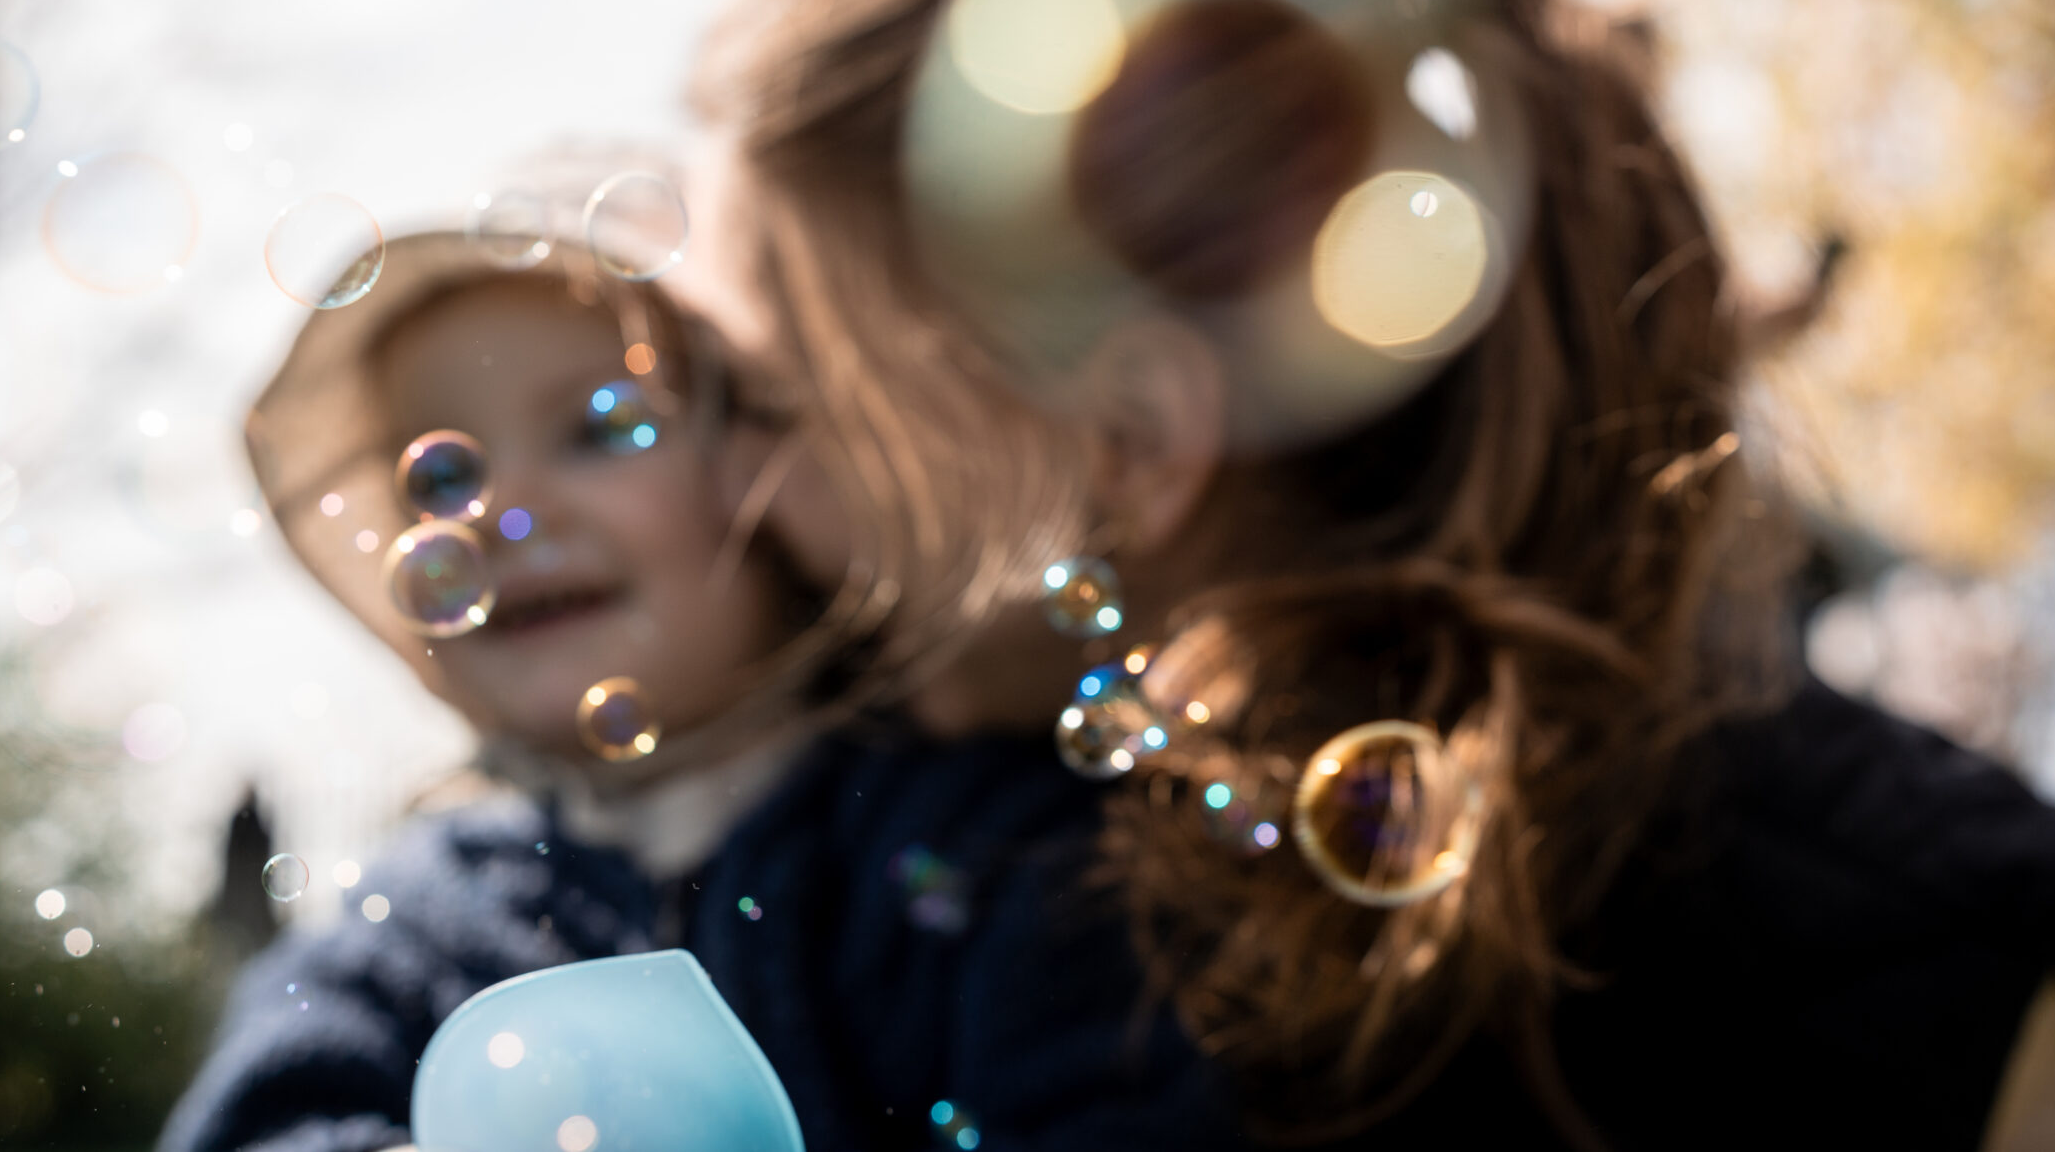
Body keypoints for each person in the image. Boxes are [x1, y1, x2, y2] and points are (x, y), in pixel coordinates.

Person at [680, 0, 2055, 1150]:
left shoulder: (1959, 977)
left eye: (759, 399)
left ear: (1127, 447)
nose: (723, 495)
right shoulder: (869, 883)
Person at [158, 164, 1245, 1152]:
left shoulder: (986, 845)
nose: (502, 510)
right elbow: (261, 1122)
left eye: (602, 427)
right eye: (439, 482)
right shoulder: (413, 923)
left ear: (759, 484)